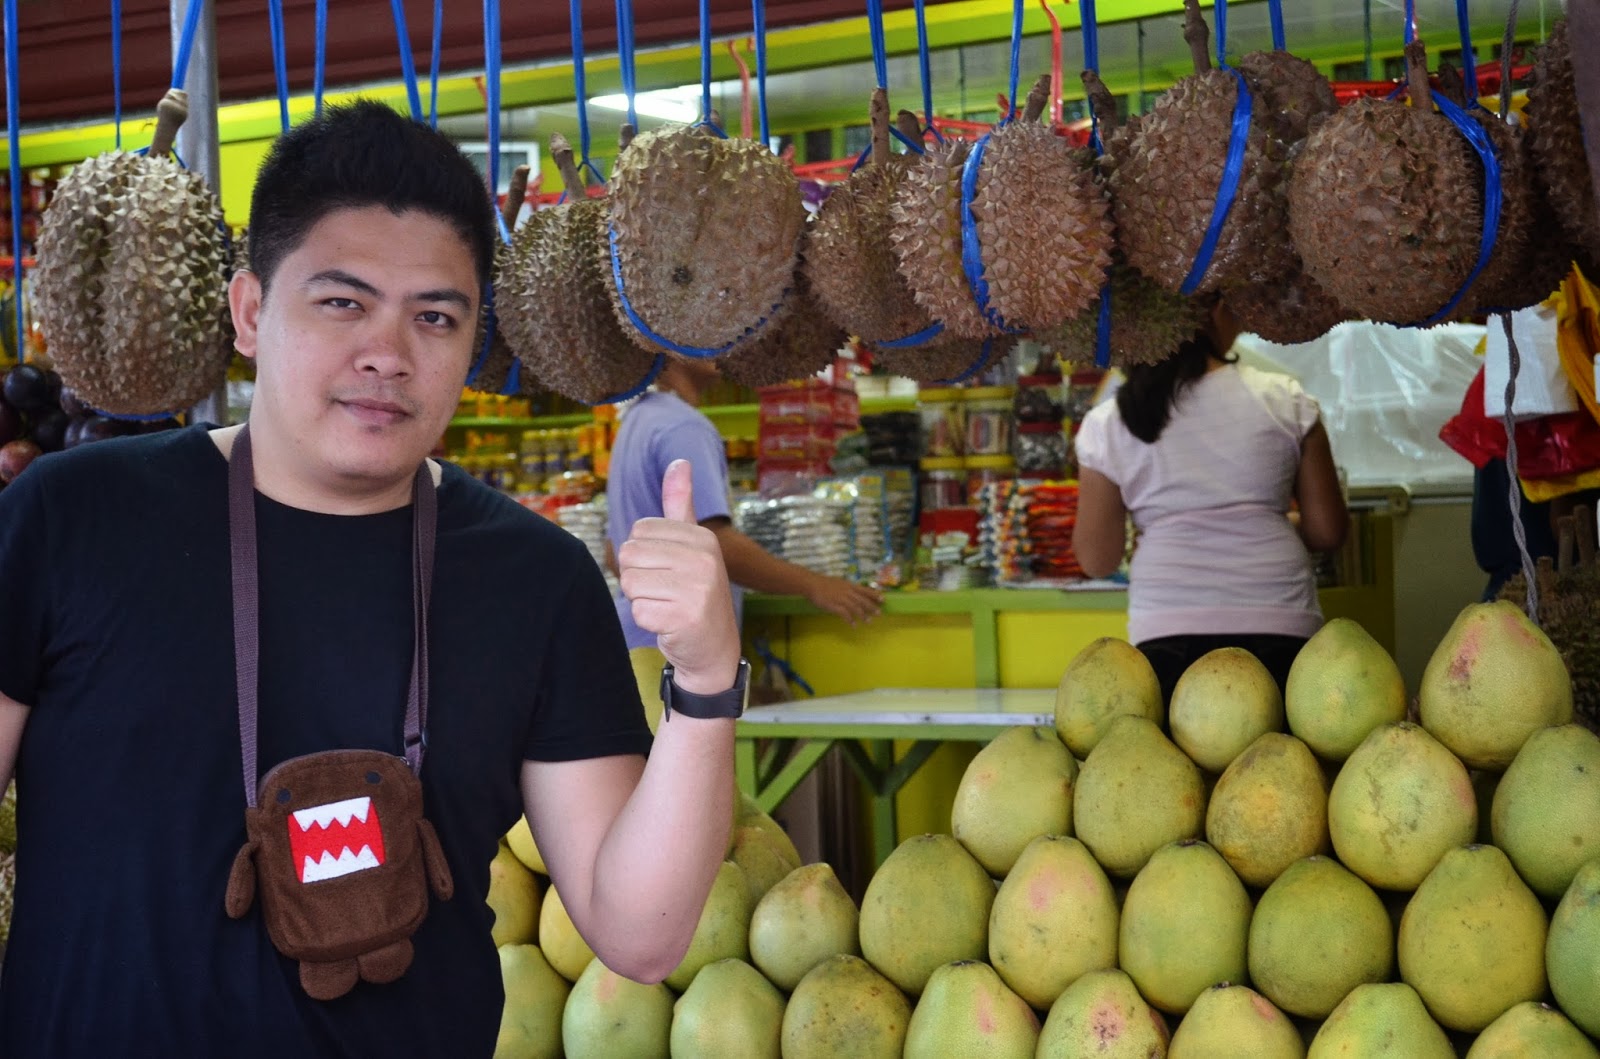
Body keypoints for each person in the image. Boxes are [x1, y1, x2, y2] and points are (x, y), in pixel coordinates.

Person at [0, 101, 742, 1055]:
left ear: (472, 345)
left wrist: (709, 679)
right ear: (251, 311)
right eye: (342, 301)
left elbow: (640, 933)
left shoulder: (536, 578)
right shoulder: (71, 520)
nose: (388, 354)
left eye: (435, 316)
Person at [1071, 302, 1349, 703]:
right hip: (1278, 614)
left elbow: (1097, 559)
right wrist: (1277, 522)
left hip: (1167, 621)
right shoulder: (1286, 400)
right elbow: (1328, 532)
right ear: (1214, 311)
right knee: (1283, 761)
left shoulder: (1108, 423)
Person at [605, 355, 883, 727]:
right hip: (679, 656)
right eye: (701, 338)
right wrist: (813, 584)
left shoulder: (637, 421)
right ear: (667, 349)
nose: (720, 348)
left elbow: (613, 553)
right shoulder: (684, 427)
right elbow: (716, 544)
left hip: (636, 643)